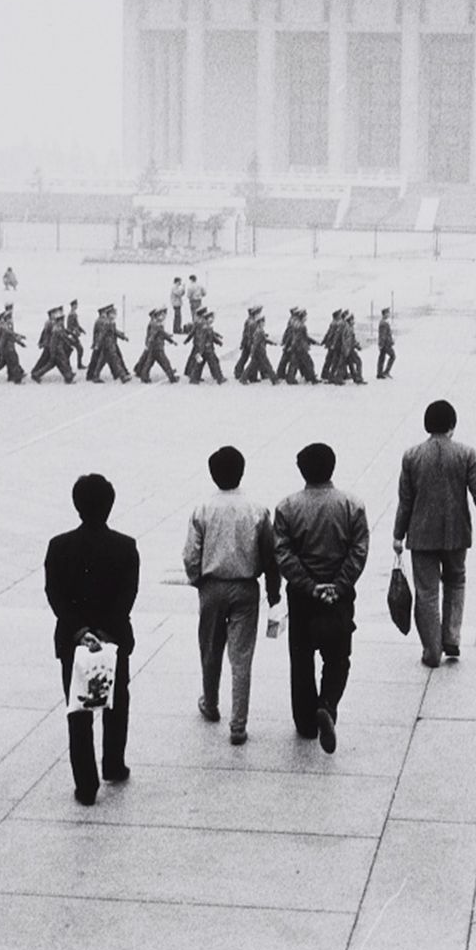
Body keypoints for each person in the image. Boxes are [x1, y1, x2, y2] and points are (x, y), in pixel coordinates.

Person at [44, 473, 138, 805]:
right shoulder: (126, 546)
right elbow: (127, 595)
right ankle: (113, 763)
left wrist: (80, 632)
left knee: (78, 710)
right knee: (116, 702)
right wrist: (104, 632)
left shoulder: (59, 546)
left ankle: (86, 785)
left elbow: (54, 594)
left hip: (73, 642)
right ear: (110, 505)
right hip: (113, 640)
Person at [273, 442, 369, 753]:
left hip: (303, 597)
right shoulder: (351, 505)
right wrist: (339, 585)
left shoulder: (287, 507)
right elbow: (359, 550)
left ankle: (305, 721)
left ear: (302, 470)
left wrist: (309, 584)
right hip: (339, 597)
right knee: (338, 657)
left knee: (301, 658)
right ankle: (327, 704)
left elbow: (283, 554)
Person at [393, 400, 476, 668]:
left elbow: (405, 500)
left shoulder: (411, 456)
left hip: (421, 535)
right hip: (456, 534)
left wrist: (398, 535)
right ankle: (451, 636)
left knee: (427, 592)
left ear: (427, 425)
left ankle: (432, 651)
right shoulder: (466, 454)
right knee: (456, 581)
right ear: (452, 425)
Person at [183, 446, 281, 745]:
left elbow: (191, 554)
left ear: (213, 475)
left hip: (212, 586)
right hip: (245, 587)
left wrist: (196, 578)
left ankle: (210, 703)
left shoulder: (202, 508)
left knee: (210, 650)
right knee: (241, 658)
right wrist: (273, 590)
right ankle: (238, 724)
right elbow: (270, 554)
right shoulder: (257, 509)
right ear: (242, 471)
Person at [31, 306, 77, 383]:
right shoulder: (54, 327)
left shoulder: (57, 326)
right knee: (54, 363)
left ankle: (68, 376)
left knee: (56, 364)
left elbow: (63, 335)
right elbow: (52, 338)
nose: (63, 321)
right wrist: (47, 347)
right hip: (54, 349)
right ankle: (36, 374)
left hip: (56, 349)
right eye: (62, 319)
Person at [134, 308, 179, 383]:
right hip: (157, 347)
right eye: (161, 315)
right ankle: (172, 378)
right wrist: (172, 341)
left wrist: (171, 341)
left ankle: (144, 376)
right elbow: (154, 335)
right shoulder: (156, 325)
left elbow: (162, 334)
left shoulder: (156, 324)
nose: (163, 317)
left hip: (154, 347)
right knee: (165, 363)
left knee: (149, 363)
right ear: (156, 316)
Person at [185, 308, 225, 384]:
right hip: (206, 349)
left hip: (205, 349)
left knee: (200, 364)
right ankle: (219, 378)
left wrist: (218, 341)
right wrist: (200, 351)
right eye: (211, 318)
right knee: (213, 363)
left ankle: (194, 378)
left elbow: (212, 335)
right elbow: (201, 339)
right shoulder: (204, 327)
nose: (213, 319)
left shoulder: (207, 326)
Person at [376, 308, 396, 380]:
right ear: (384, 314)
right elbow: (383, 335)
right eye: (387, 313)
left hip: (384, 343)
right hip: (386, 344)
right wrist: (382, 344)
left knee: (381, 358)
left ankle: (379, 373)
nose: (389, 314)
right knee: (393, 356)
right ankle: (386, 371)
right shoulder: (384, 324)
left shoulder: (382, 322)